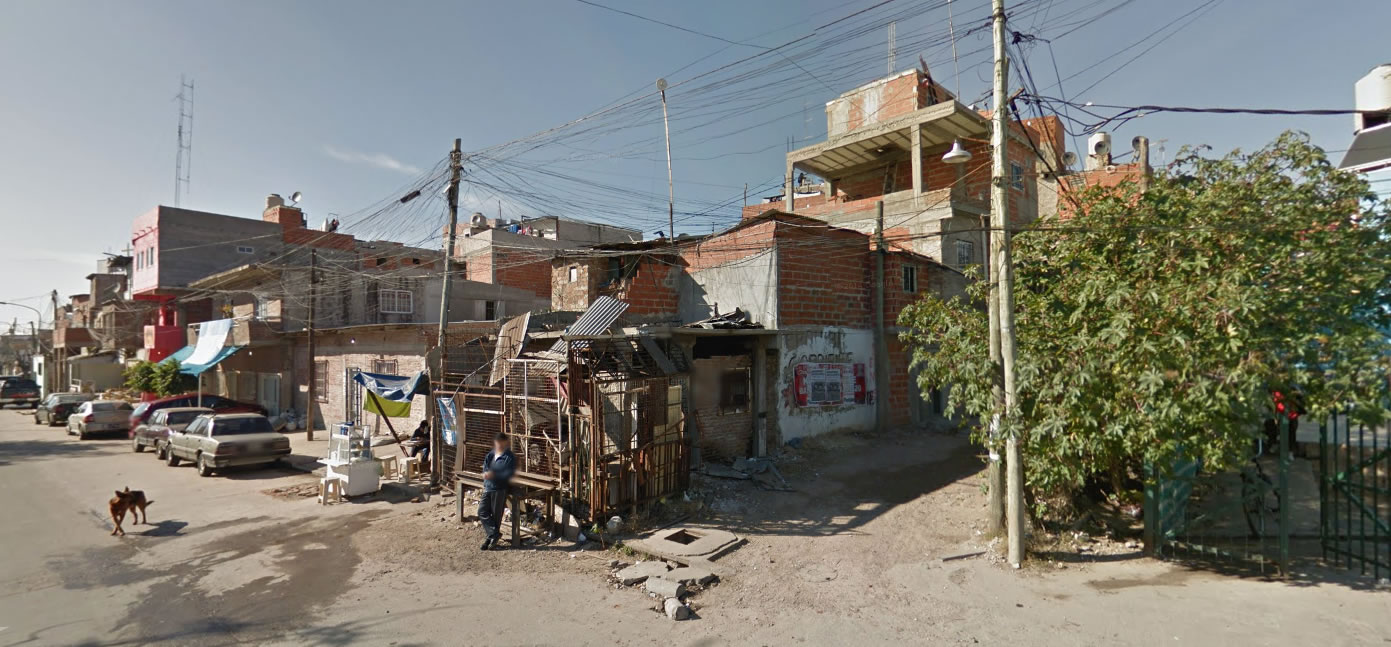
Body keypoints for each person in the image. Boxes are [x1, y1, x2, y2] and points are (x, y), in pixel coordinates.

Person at [478, 432, 516, 551]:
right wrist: (486, 474)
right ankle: (494, 534)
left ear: (505, 443)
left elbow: (508, 474)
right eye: (497, 442)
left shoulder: (509, 457)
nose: (498, 444)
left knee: (496, 515)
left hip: (499, 489)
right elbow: (485, 467)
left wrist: (494, 475)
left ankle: (490, 538)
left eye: (500, 442)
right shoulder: (491, 454)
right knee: (482, 511)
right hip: (488, 487)